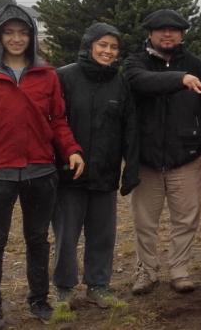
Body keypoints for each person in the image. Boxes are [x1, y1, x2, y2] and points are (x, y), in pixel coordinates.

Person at [0, 4, 85, 329]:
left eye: (23, 32)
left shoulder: (46, 75)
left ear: (32, 36)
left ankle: (39, 300)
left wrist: (72, 149)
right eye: (9, 32)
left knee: (38, 239)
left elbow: (58, 120)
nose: (16, 39)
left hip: (41, 171)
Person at [124, 9, 201, 295]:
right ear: (150, 33)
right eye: (161, 29)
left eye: (174, 30)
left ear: (182, 34)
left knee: (186, 218)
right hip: (146, 159)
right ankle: (147, 272)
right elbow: (140, 81)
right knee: (144, 222)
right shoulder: (135, 63)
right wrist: (180, 79)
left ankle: (180, 270)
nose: (168, 34)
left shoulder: (197, 66)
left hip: (187, 158)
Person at [52, 23, 140, 311]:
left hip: (105, 173)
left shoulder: (120, 82)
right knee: (66, 235)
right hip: (68, 175)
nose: (108, 51)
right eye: (102, 45)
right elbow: (54, 122)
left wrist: (131, 167)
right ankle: (64, 289)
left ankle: (98, 285)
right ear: (89, 45)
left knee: (103, 235)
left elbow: (130, 127)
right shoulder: (64, 77)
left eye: (114, 47)